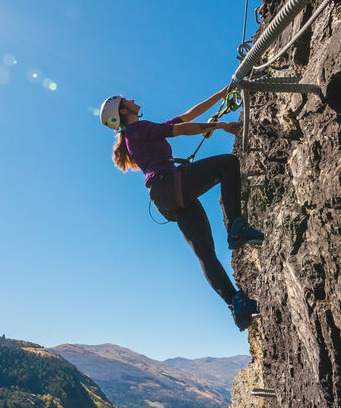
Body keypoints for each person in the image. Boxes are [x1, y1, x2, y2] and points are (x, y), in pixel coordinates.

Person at [99, 87, 263, 330]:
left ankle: (236, 304)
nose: (133, 100)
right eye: (127, 101)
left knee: (205, 255)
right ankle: (237, 227)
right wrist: (221, 127)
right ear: (123, 111)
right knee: (228, 164)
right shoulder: (138, 129)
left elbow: (187, 116)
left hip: (166, 196)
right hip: (169, 183)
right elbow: (180, 129)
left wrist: (223, 94)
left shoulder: (136, 132)